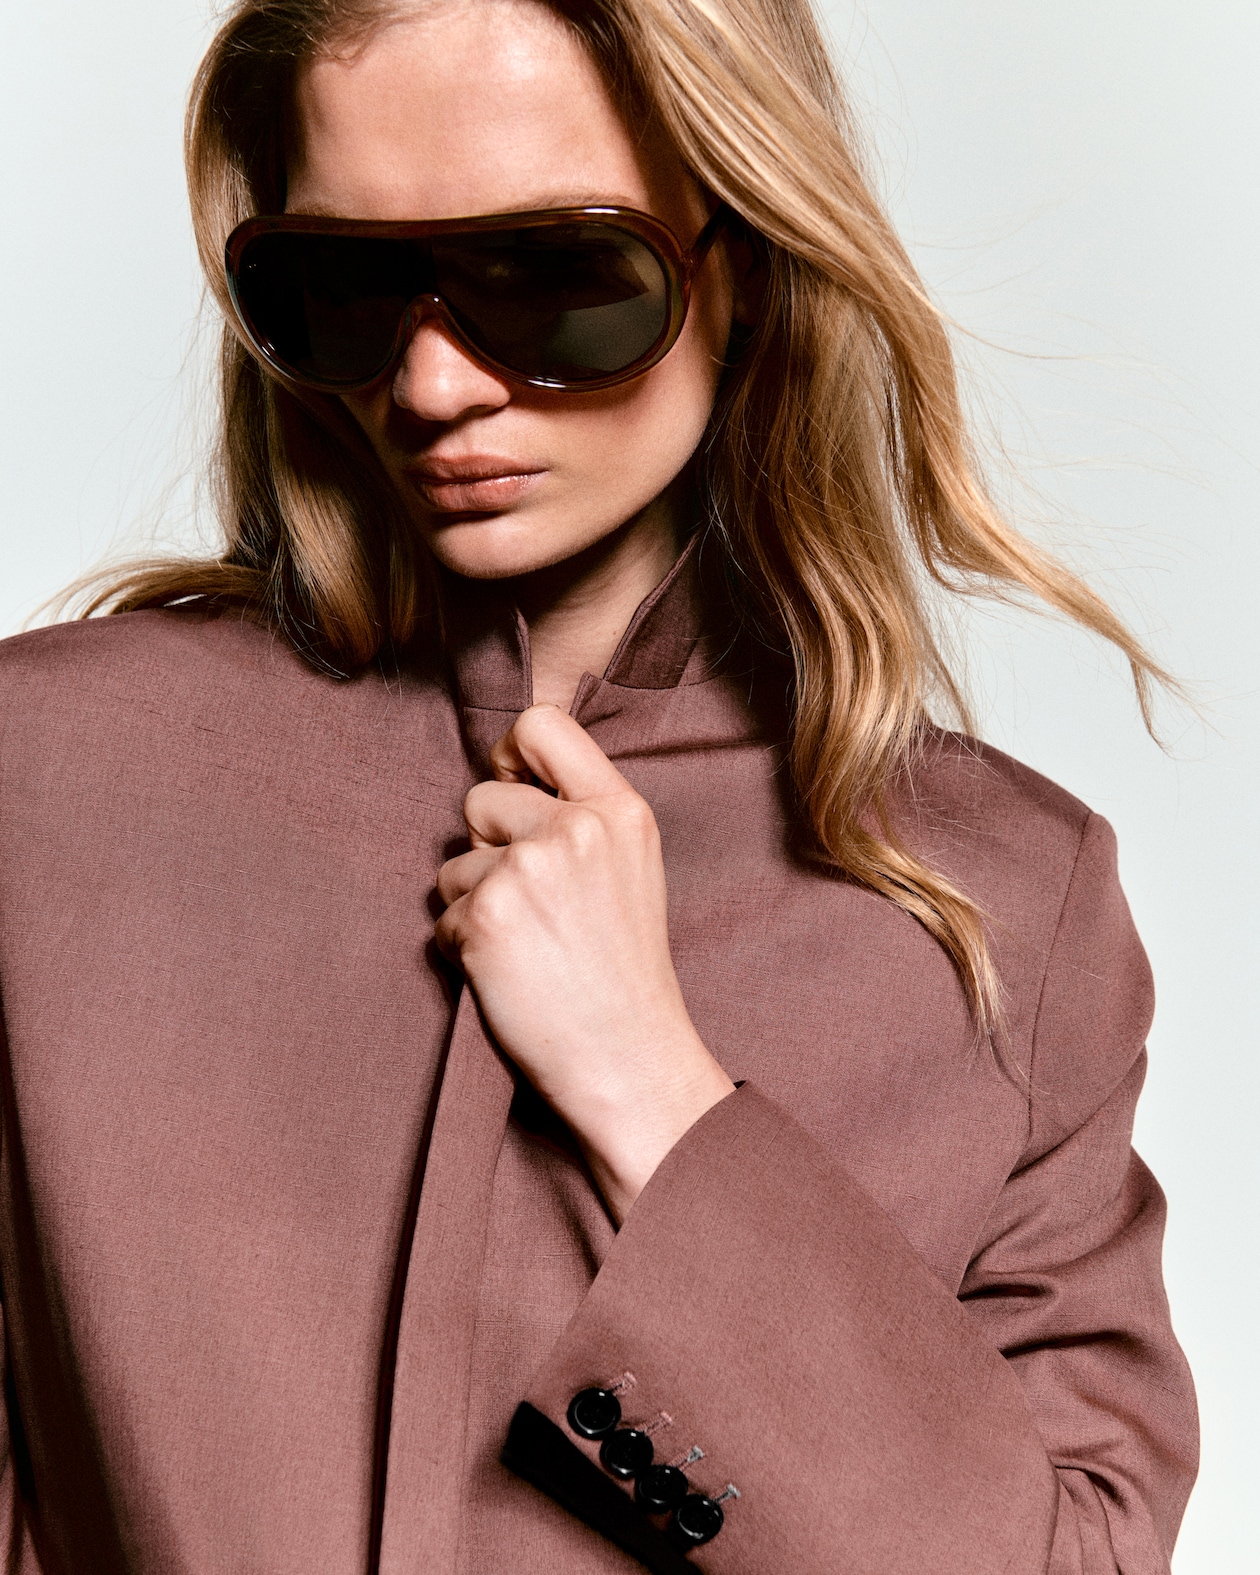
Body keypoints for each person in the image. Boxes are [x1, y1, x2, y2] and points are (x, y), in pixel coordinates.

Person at [0, 0, 1197, 1569]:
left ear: (747, 261)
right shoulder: (51, 784)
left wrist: (656, 1095)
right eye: (344, 292)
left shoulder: (1000, 905)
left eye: (551, 279)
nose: (430, 388)